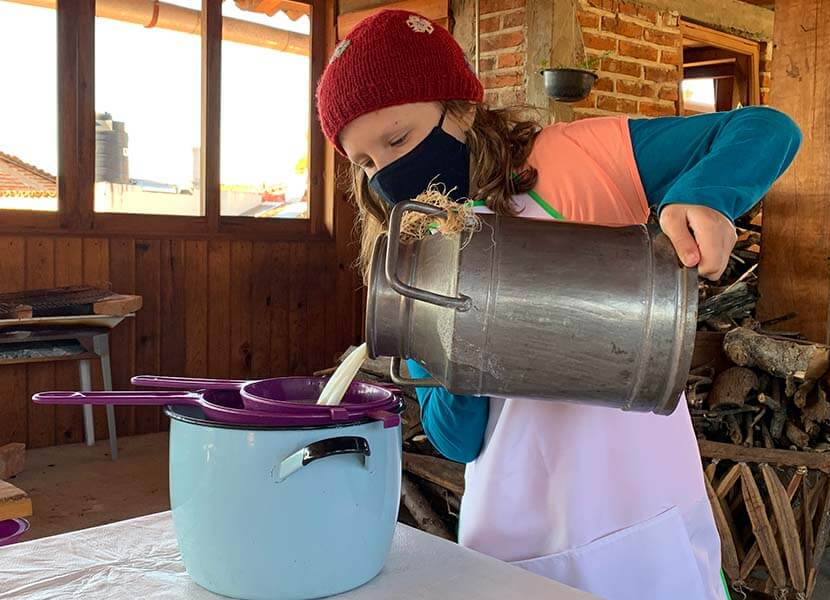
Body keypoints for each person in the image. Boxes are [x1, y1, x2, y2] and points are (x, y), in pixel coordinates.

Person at [317, 10, 801, 600]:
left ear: (462, 108)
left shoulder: (577, 158)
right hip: (512, 525)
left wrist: (703, 198)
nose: (390, 173)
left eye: (398, 140)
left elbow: (767, 130)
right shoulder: (414, 254)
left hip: (638, 504)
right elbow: (458, 441)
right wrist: (455, 352)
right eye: (366, 163)